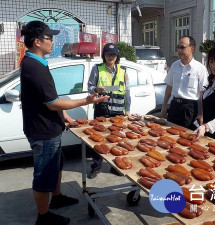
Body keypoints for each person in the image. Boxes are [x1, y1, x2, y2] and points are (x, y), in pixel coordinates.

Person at [20, 21, 109, 225]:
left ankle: (57, 198)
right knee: (43, 176)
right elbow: (52, 103)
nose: (53, 42)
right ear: (37, 41)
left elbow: (47, 98)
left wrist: (66, 118)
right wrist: (87, 100)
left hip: (51, 128)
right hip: (43, 133)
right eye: (49, 38)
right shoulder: (34, 67)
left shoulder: (37, 62)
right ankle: (43, 217)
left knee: (56, 165)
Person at [87, 43, 129, 179]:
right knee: (99, 140)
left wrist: (127, 109)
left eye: (113, 54)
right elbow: (89, 87)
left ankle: (116, 166)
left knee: (118, 140)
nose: (111, 57)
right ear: (104, 56)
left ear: (117, 56)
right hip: (101, 110)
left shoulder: (123, 70)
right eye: (108, 54)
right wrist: (96, 90)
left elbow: (127, 91)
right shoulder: (97, 69)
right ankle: (96, 167)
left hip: (118, 112)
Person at [161, 36, 209, 129]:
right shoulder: (175, 65)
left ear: (192, 49)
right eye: (178, 47)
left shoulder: (200, 68)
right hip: (175, 106)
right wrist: (164, 105)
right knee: (170, 134)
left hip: (190, 108)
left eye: (182, 47)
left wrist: (201, 113)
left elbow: (203, 93)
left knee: (187, 138)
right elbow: (169, 86)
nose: (179, 50)